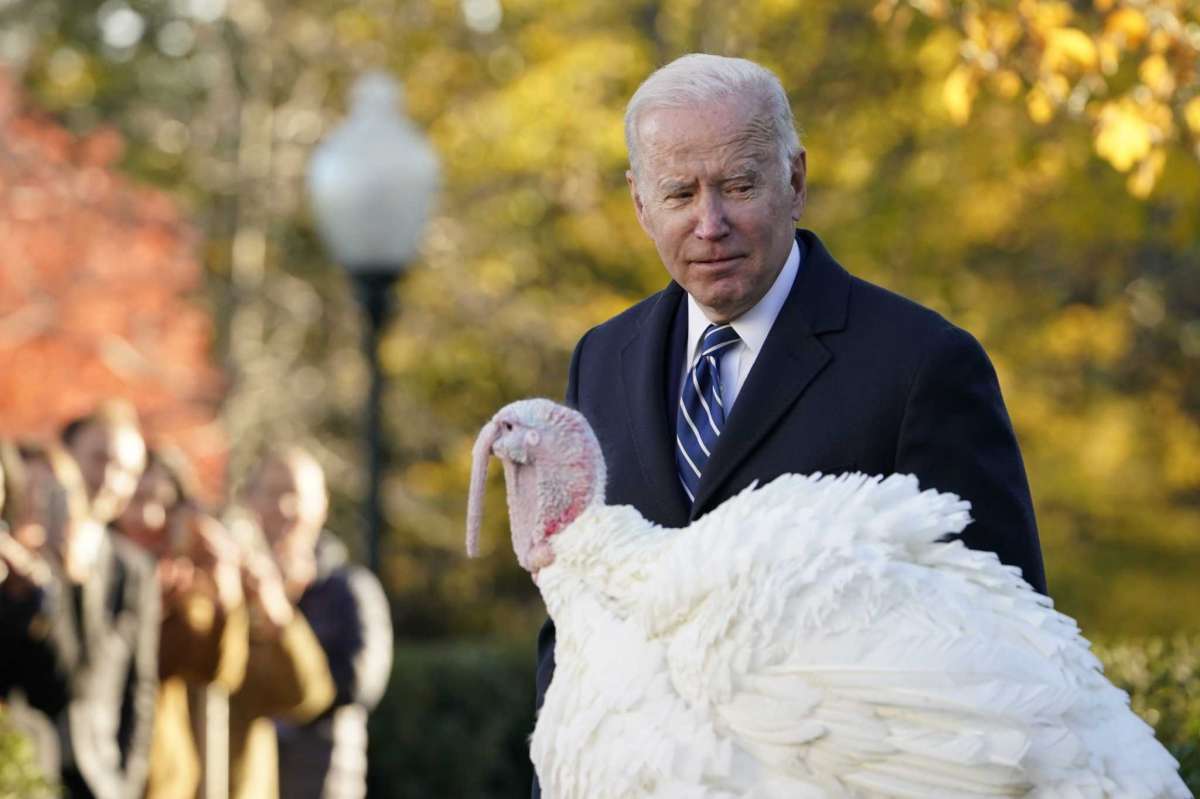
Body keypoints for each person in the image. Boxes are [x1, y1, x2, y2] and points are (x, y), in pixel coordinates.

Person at [534, 53, 1047, 796]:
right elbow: (574, 621)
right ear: (641, 204)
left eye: (739, 186)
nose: (710, 224)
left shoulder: (923, 365)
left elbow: (1009, 641)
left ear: (796, 180)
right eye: (680, 193)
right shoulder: (599, 359)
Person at [2, 440, 159, 799]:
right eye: (31, 495)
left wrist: (52, 592)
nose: (41, 509)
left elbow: (77, 683)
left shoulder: (62, 581)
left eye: (54, 496)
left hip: (83, 777)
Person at [241, 447, 392, 799]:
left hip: (321, 779)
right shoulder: (234, 589)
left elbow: (358, 684)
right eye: (272, 492)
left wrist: (285, 620)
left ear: (321, 505)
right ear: (250, 501)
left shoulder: (350, 589)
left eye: (296, 494)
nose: (284, 507)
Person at [115, 449, 250, 799]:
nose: (150, 517)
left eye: (165, 504)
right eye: (138, 499)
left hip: (166, 778)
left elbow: (220, 673)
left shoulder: (187, 591)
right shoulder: (94, 569)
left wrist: (225, 598)